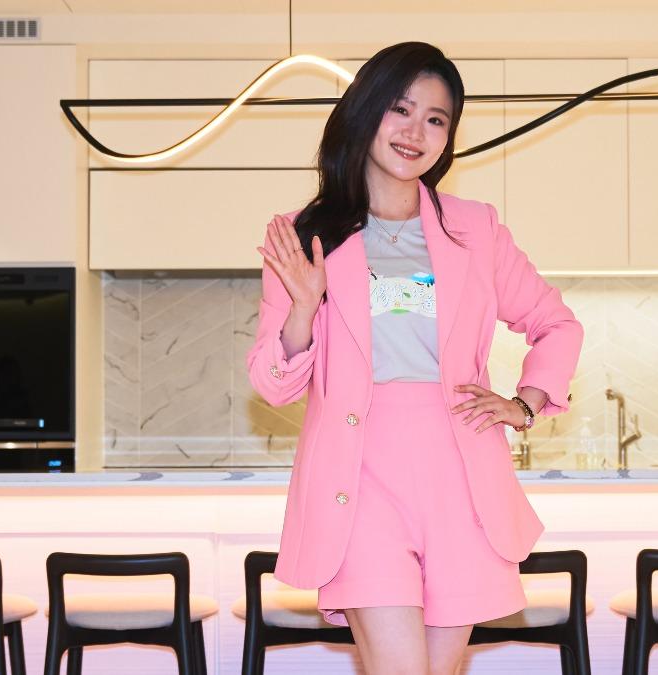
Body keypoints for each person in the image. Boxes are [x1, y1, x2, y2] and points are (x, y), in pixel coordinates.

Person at [246, 41, 584, 675]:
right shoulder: (304, 235)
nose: (415, 132)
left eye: (436, 119)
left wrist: (524, 404)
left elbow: (557, 324)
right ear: (366, 111)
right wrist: (304, 307)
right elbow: (274, 384)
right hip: (359, 477)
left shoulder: (476, 228)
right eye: (400, 110)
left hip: (461, 471)